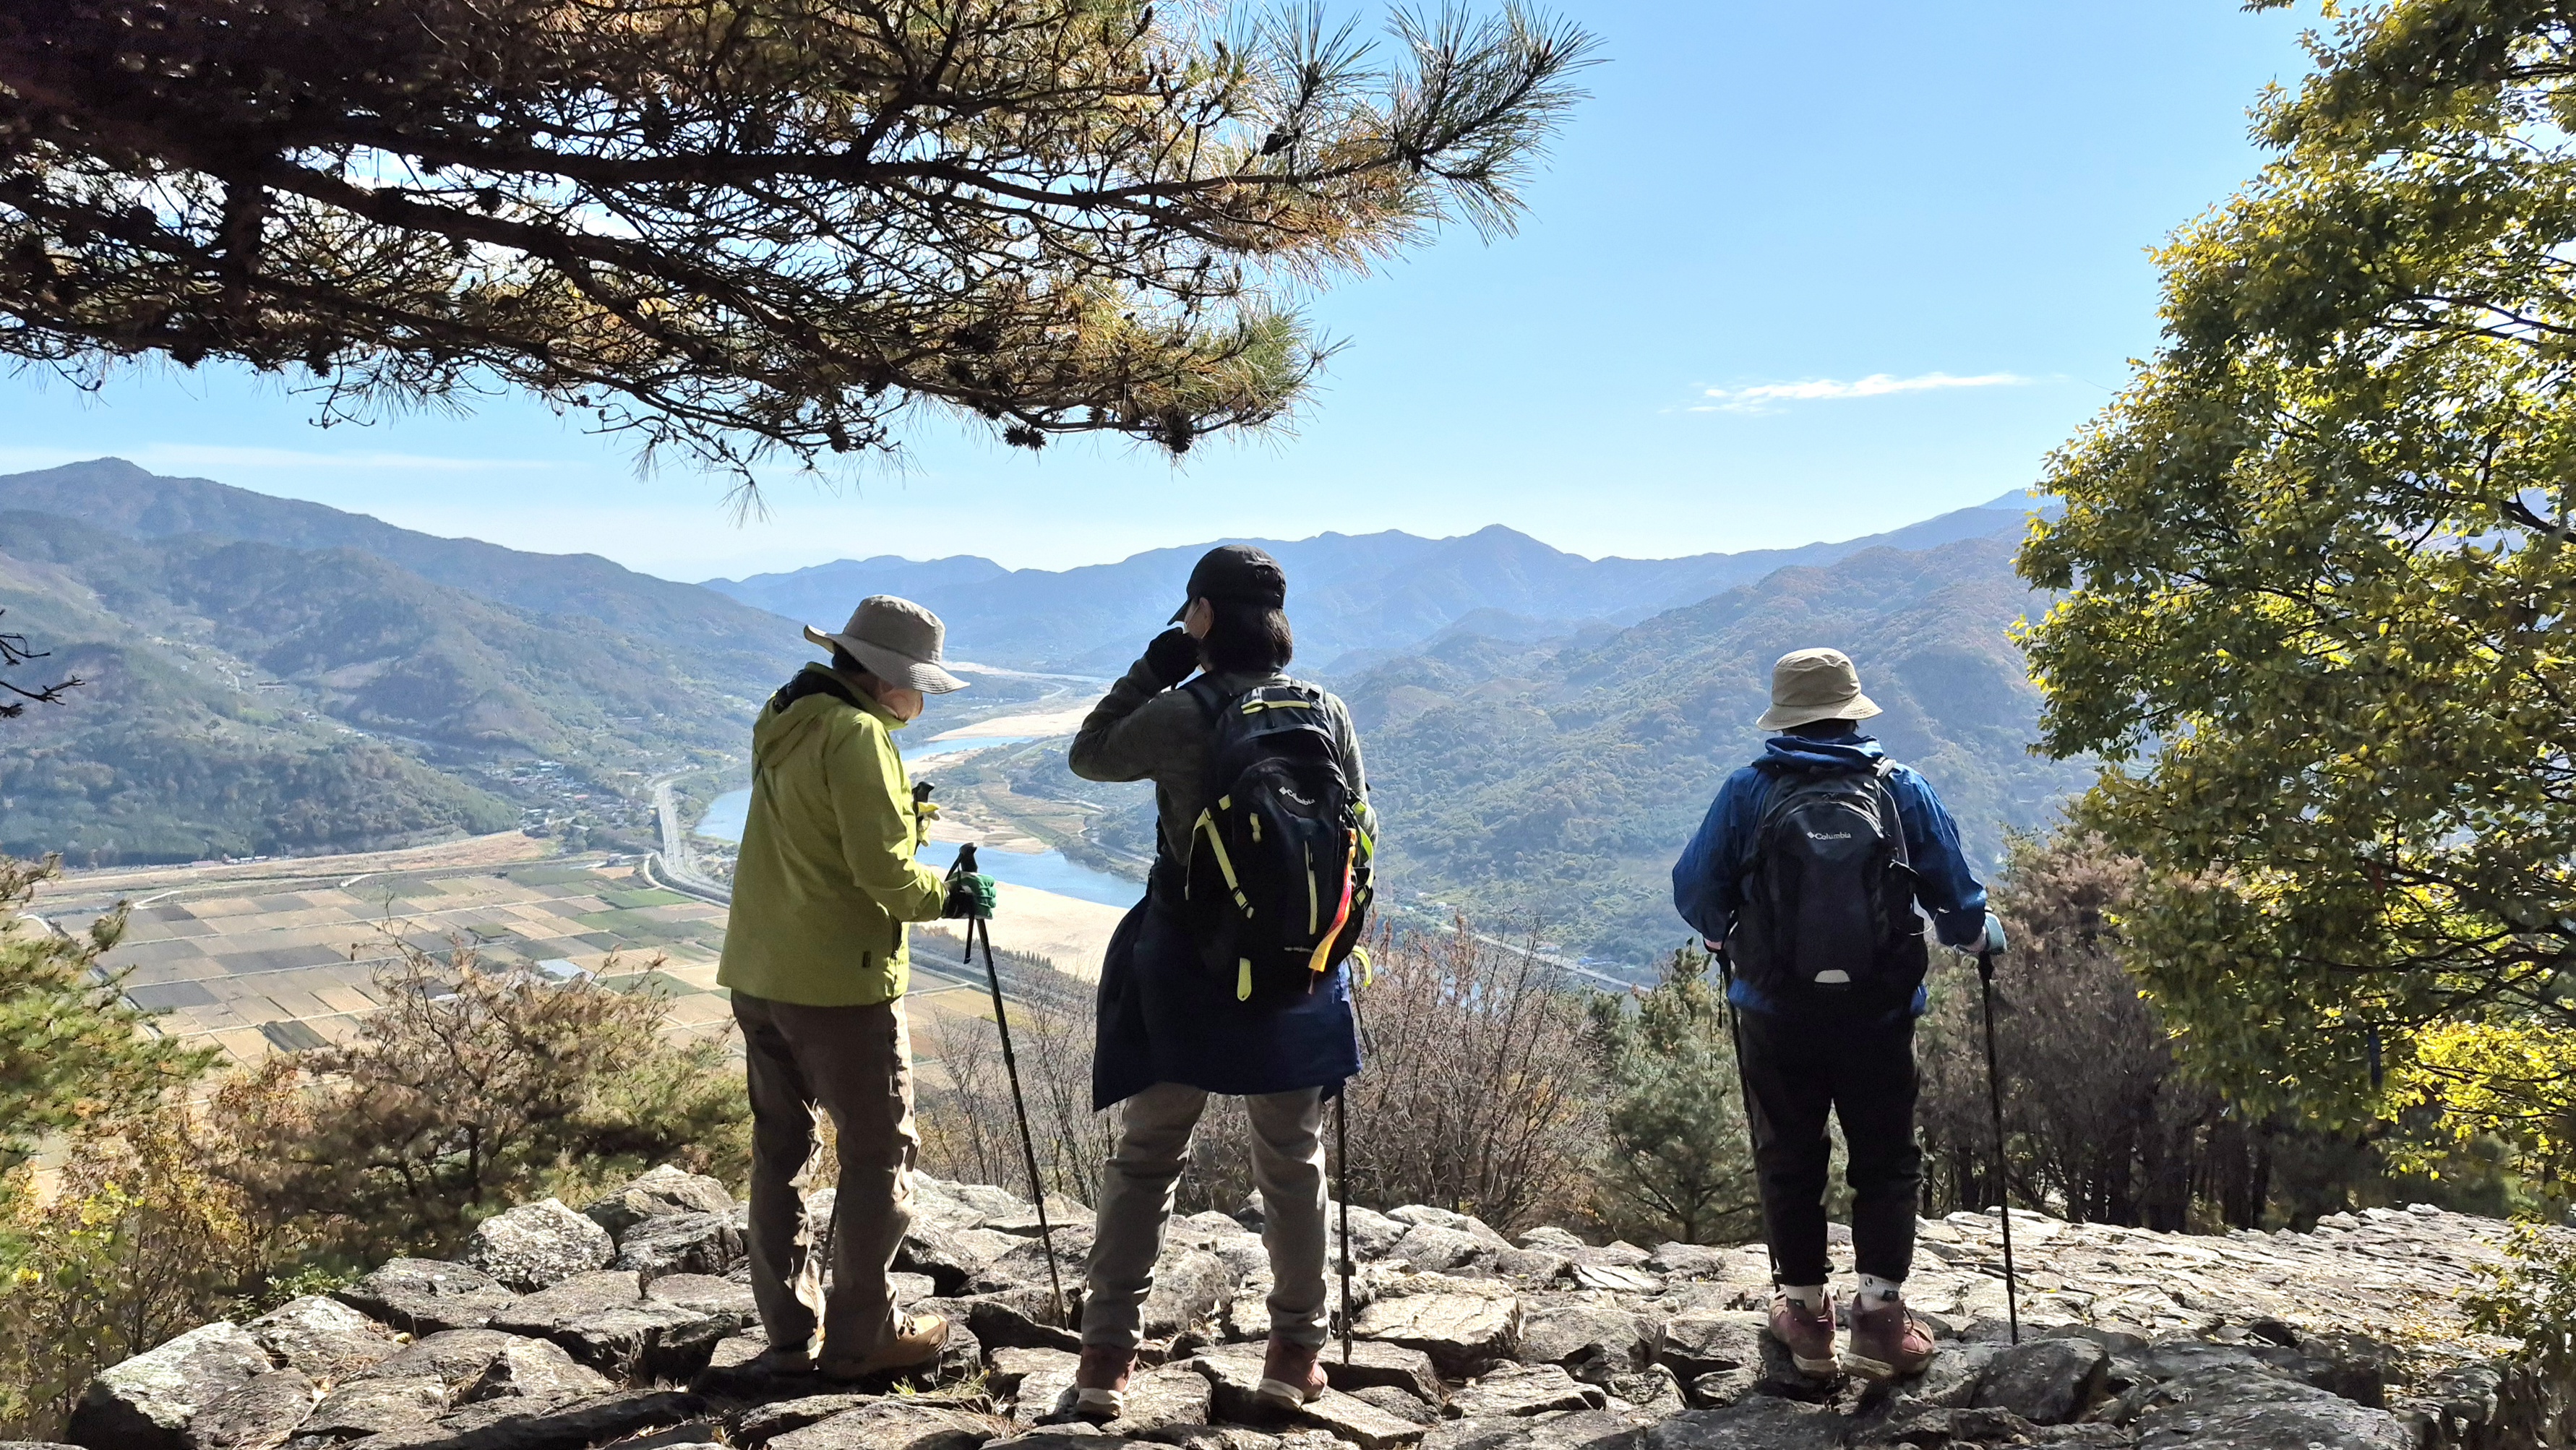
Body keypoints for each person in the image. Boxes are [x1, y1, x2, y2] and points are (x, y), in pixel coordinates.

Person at [1064, 544, 1374, 1417]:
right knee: (1292, 1159)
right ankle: (1294, 1354)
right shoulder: (1325, 710)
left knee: (1148, 1156)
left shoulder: (1181, 710)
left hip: (1187, 959)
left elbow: (1090, 754)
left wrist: (1153, 666)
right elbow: (1353, 826)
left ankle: (1105, 1363)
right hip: (1295, 969)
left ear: (1201, 615)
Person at [1670, 647, 2001, 1382]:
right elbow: (1955, 899)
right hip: (1878, 1013)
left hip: (1774, 1009)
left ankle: (1805, 1318)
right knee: (1886, 1157)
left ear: (1784, 716)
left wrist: (1723, 932)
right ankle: (1880, 1320)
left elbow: (1695, 889)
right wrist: (1981, 935)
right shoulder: (1900, 788)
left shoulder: (1748, 791)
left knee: (1789, 1153)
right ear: (1852, 711)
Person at [718, 595, 992, 1380]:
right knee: (879, 1152)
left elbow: (819, 838)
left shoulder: (787, 715)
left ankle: (787, 1333)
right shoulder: (859, 734)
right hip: (839, 983)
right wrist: (952, 895)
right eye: (919, 686)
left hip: (760, 969)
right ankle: (864, 1335)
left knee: (782, 1150)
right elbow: (888, 879)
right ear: (885, 678)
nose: (921, 701)